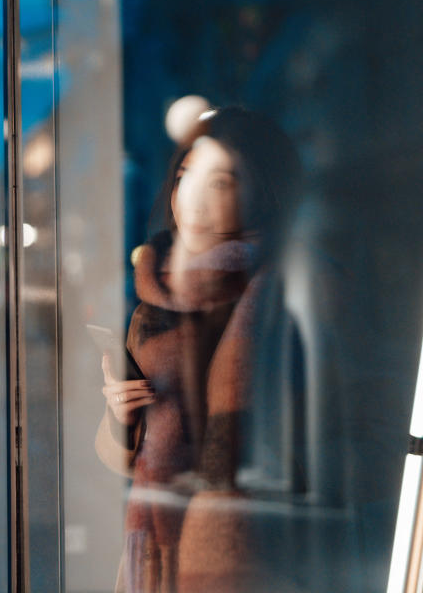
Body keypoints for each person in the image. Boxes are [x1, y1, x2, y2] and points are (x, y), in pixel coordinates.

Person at [94, 106, 300, 593]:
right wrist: (120, 419)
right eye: (186, 175)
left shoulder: (282, 293)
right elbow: (120, 457)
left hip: (258, 556)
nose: (193, 200)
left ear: (261, 193)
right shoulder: (156, 300)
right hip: (155, 551)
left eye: (221, 183)